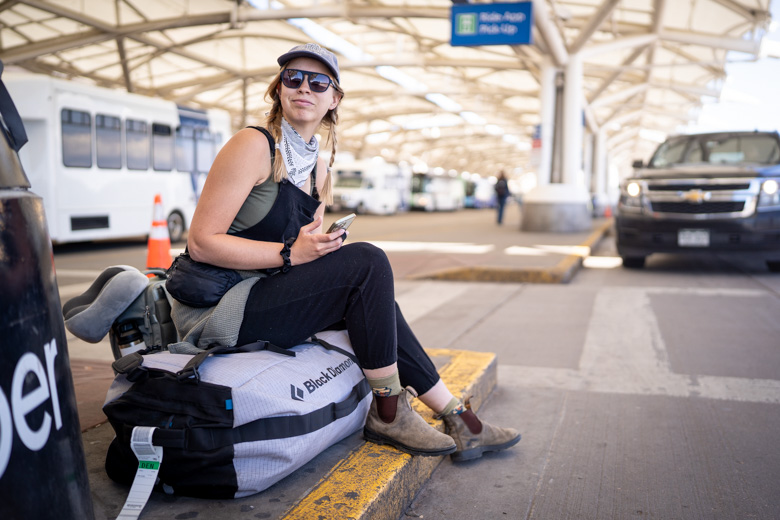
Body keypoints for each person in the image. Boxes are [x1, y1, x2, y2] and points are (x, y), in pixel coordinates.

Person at [172, 43, 520, 461]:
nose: (305, 87)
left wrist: (318, 251)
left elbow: (303, 250)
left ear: (334, 99)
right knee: (369, 262)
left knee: (373, 291)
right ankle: (389, 414)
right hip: (221, 308)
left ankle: (460, 418)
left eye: (319, 82)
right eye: (293, 77)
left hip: (268, 294)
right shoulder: (252, 145)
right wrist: (291, 255)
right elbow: (201, 242)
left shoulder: (319, 169)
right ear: (279, 89)